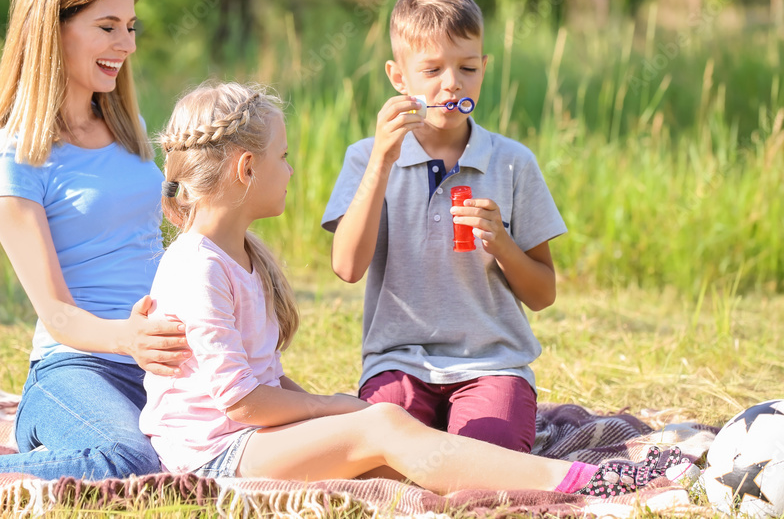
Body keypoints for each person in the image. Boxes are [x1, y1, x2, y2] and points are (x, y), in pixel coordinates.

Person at [138, 81, 686, 497]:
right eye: (282, 157)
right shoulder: (198, 267)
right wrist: (334, 407)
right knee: (383, 428)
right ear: (246, 168)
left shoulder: (243, 255)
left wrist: (333, 411)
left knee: (415, 463)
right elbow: (245, 402)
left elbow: (265, 376)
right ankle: (587, 483)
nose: (291, 169)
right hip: (212, 456)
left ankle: (584, 481)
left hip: (245, 441)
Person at [0, 0, 191, 480]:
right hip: (76, 367)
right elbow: (56, 313)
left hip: (157, 361)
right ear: (55, 29)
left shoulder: (127, 128)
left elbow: (152, 239)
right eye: (107, 27)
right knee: (130, 463)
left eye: (131, 26)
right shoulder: (16, 157)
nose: (126, 44)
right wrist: (130, 339)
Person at [321, 0, 565, 453]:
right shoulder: (366, 157)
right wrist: (382, 162)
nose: (452, 83)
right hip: (397, 361)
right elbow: (347, 268)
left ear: (484, 68)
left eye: (467, 68)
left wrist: (504, 247)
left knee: (489, 457)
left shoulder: (513, 162)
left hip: (492, 363)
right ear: (398, 77)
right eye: (431, 69)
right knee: (381, 458)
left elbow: (543, 294)